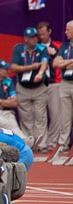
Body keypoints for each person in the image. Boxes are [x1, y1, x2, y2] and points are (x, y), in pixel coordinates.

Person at [11, 26, 49, 152]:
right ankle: (29, 144)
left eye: (35, 37)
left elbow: (44, 62)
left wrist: (40, 73)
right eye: (31, 37)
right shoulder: (18, 48)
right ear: (26, 39)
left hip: (39, 88)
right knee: (26, 117)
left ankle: (42, 144)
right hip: (23, 87)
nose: (34, 39)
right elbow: (14, 67)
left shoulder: (42, 48)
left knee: (40, 116)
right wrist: (32, 67)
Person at [0, 59, 32, 145]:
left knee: (12, 124)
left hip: (6, 112)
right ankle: (24, 142)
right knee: (9, 124)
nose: (8, 71)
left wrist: (0, 101)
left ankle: (22, 143)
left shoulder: (8, 82)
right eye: (5, 69)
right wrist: (7, 101)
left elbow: (15, 103)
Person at [38, 21, 62, 155]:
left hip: (54, 83)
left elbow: (61, 60)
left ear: (49, 31)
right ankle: (42, 142)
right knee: (41, 116)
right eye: (39, 34)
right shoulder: (36, 48)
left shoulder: (58, 46)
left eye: (43, 33)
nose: (41, 37)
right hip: (39, 85)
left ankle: (53, 142)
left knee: (55, 114)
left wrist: (53, 53)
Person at [53, 21, 73, 163]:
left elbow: (61, 63)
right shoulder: (65, 46)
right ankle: (63, 144)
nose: (66, 32)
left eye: (68, 30)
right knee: (64, 116)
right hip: (65, 83)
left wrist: (64, 62)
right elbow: (56, 63)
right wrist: (70, 61)